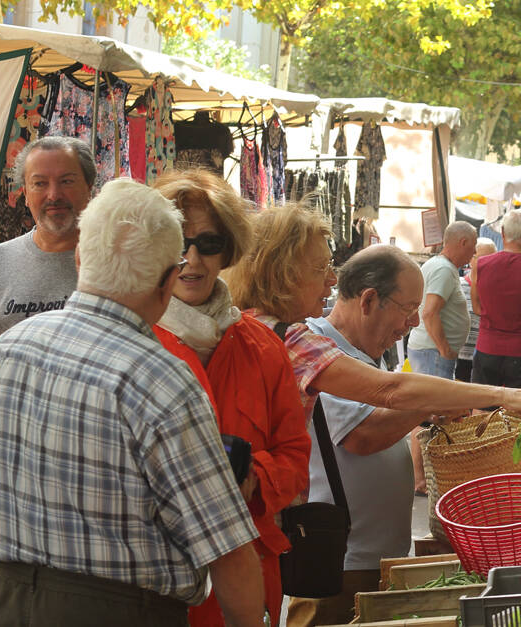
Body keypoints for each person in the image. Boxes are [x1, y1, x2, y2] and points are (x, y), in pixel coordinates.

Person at [0, 179, 265, 627]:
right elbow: (229, 552)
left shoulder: (3, 354)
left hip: (12, 603)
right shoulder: (163, 381)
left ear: (81, 257)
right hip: (126, 612)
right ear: (166, 282)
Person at [223, 204, 521, 422]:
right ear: (282, 273)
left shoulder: (258, 324)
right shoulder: (287, 336)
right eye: (320, 269)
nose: (332, 280)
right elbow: (391, 389)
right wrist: (507, 396)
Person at [150, 170, 308, 627]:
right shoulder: (130, 341)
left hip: (248, 570)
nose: (192, 259)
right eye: (179, 243)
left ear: (229, 250)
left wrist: (253, 478)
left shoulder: (262, 345)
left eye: (209, 243)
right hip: (159, 578)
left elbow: (295, 454)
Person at [287, 245, 443, 626]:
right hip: (338, 565)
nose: (411, 325)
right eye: (408, 311)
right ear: (370, 299)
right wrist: (430, 403)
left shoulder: (363, 354)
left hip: (371, 560)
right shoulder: (319, 352)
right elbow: (363, 435)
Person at [0, 136, 92, 474]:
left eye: (67, 181)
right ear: (24, 194)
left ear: (89, 187)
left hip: (88, 469)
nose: (54, 195)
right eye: (40, 183)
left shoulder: (114, 265)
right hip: (1, 468)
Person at [471, 210, 521, 388]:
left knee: (482, 408)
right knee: (518, 410)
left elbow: (477, 308)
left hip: (487, 346)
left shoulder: (480, 265)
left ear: (503, 232)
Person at [408, 221, 476, 379]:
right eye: (474, 245)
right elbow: (430, 313)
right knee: (435, 403)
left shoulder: (440, 265)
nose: (474, 251)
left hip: (431, 351)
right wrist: (445, 350)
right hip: (433, 352)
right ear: (463, 243)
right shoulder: (443, 269)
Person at [455, 238, 496, 382]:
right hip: (460, 358)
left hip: (489, 357)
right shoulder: (457, 285)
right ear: (471, 259)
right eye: (483, 258)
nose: (489, 263)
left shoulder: (497, 289)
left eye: (492, 258)